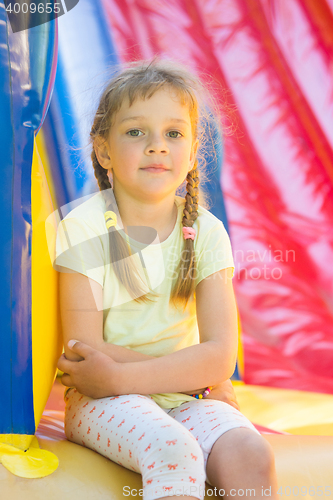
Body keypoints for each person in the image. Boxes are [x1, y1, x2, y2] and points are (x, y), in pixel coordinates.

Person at [55, 58, 278, 500]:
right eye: (136, 132)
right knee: (173, 448)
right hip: (101, 400)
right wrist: (189, 375)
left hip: (175, 396)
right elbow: (86, 350)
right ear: (103, 150)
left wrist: (134, 376)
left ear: (193, 152)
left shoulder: (206, 231)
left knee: (249, 452)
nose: (157, 146)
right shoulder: (83, 228)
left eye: (174, 134)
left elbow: (219, 356)